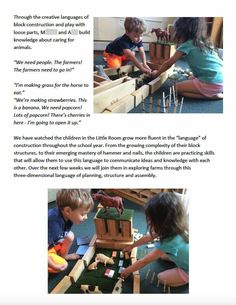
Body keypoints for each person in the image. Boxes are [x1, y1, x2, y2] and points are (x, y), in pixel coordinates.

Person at [121, 192, 189, 288]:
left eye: (150, 219)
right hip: (186, 256)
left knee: (161, 278)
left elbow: (144, 261)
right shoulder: (173, 224)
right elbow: (149, 237)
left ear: (160, 222)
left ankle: (187, 278)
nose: (148, 221)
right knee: (162, 256)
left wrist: (126, 271)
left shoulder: (170, 242)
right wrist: (131, 246)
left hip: (188, 270)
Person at [151, 17, 223, 99]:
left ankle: (212, 96)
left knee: (175, 88)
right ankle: (212, 91)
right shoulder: (204, 42)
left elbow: (168, 63)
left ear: (181, 31)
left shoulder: (187, 45)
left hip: (212, 83)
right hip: (222, 79)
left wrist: (156, 73)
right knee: (191, 77)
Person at [48, 189, 94, 273]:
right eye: (83, 214)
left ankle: (64, 255)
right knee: (63, 265)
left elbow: (64, 234)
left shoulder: (67, 216)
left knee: (70, 235)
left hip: (53, 241)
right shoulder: (53, 224)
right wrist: (53, 265)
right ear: (68, 211)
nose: (86, 217)